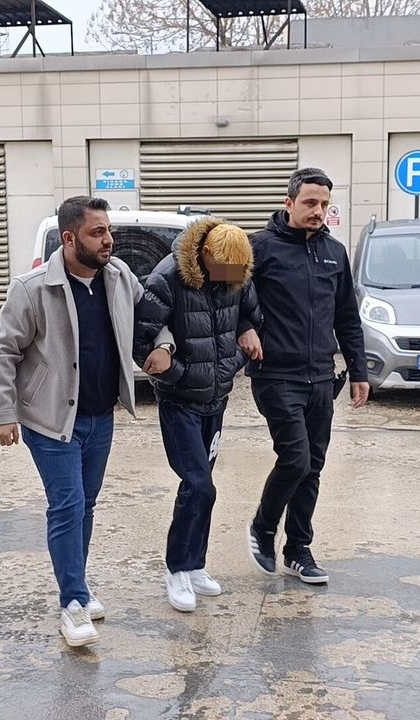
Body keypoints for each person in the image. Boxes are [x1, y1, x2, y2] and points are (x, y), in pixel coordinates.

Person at [0, 195, 160, 648]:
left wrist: (166, 344)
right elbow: (2, 351)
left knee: (86, 505)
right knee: (67, 505)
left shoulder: (120, 277)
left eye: (108, 230)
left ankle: (77, 586)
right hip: (50, 419)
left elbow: (152, 317)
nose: (108, 240)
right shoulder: (32, 288)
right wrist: (1, 413)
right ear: (69, 238)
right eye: (97, 232)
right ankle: (73, 602)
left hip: (101, 416)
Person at [243, 167, 369, 586]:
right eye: (310, 203)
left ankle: (298, 549)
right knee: (295, 458)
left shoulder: (334, 252)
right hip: (275, 374)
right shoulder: (258, 247)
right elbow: (226, 296)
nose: (318, 211)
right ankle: (263, 527)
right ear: (289, 203)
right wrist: (244, 327)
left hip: (321, 377)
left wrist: (358, 370)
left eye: (325, 205)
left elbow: (347, 316)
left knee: (312, 466)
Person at [133, 219, 263, 613]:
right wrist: (179, 373)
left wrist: (241, 348)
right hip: (180, 402)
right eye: (226, 271)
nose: (233, 279)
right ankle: (176, 569)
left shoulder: (236, 272)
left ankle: (195, 564)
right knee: (199, 485)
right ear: (205, 255)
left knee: (202, 488)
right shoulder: (167, 279)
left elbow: (251, 318)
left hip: (217, 399)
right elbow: (141, 339)